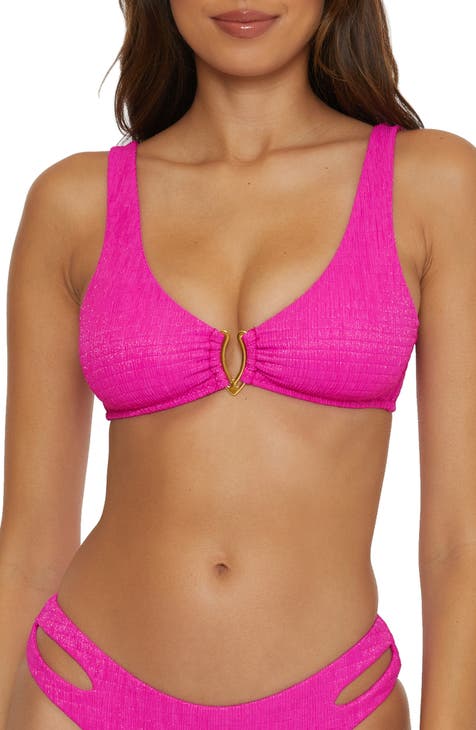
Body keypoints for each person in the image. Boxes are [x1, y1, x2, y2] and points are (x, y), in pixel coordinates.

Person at [2, 0, 476, 728]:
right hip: (78, 697)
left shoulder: (433, 184)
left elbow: (458, 543)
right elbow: (31, 549)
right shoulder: (72, 205)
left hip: (334, 707)